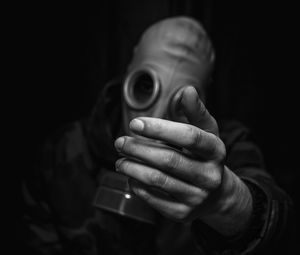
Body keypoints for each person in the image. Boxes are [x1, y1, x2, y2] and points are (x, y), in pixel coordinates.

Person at [22, 16, 293, 255]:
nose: (158, 114)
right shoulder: (60, 152)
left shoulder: (227, 147)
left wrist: (227, 200)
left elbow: (283, 226)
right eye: (145, 86)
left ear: (201, 99)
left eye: (178, 103)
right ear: (128, 71)